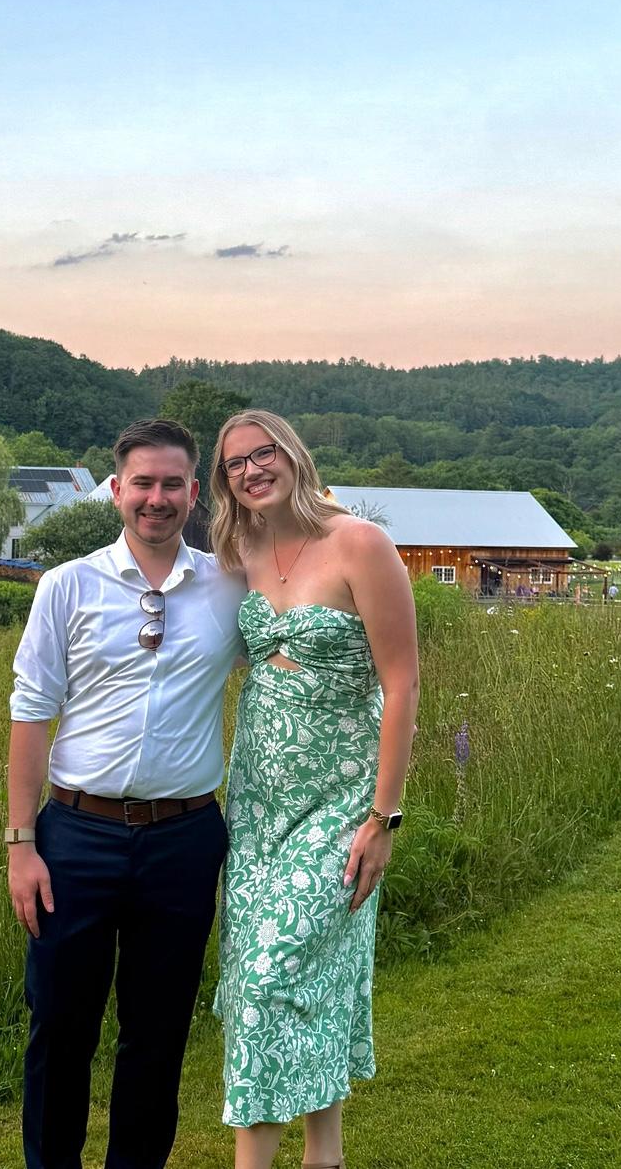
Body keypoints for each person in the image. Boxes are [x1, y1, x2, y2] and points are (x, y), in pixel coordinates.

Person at [6, 417, 246, 1169]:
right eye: (143, 483)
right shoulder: (67, 586)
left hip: (184, 838)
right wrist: (21, 845)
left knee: (158, 1032)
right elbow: (30, 712)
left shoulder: (229, 586)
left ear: (195, 492)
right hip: (76, 837)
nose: (157, 498)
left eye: (173, 483)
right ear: (116, 490)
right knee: (60, 1027)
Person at [209, 410, 420, 1169]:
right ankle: (324, 1154)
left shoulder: (360, 543)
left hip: (340, 803)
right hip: (256, 806)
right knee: (272, 976)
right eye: (235, 463)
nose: (252, 470)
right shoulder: (240, 550)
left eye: (264, 453)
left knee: (270, 977)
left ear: (294, 455)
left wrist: (383, 817)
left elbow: (402, 683)